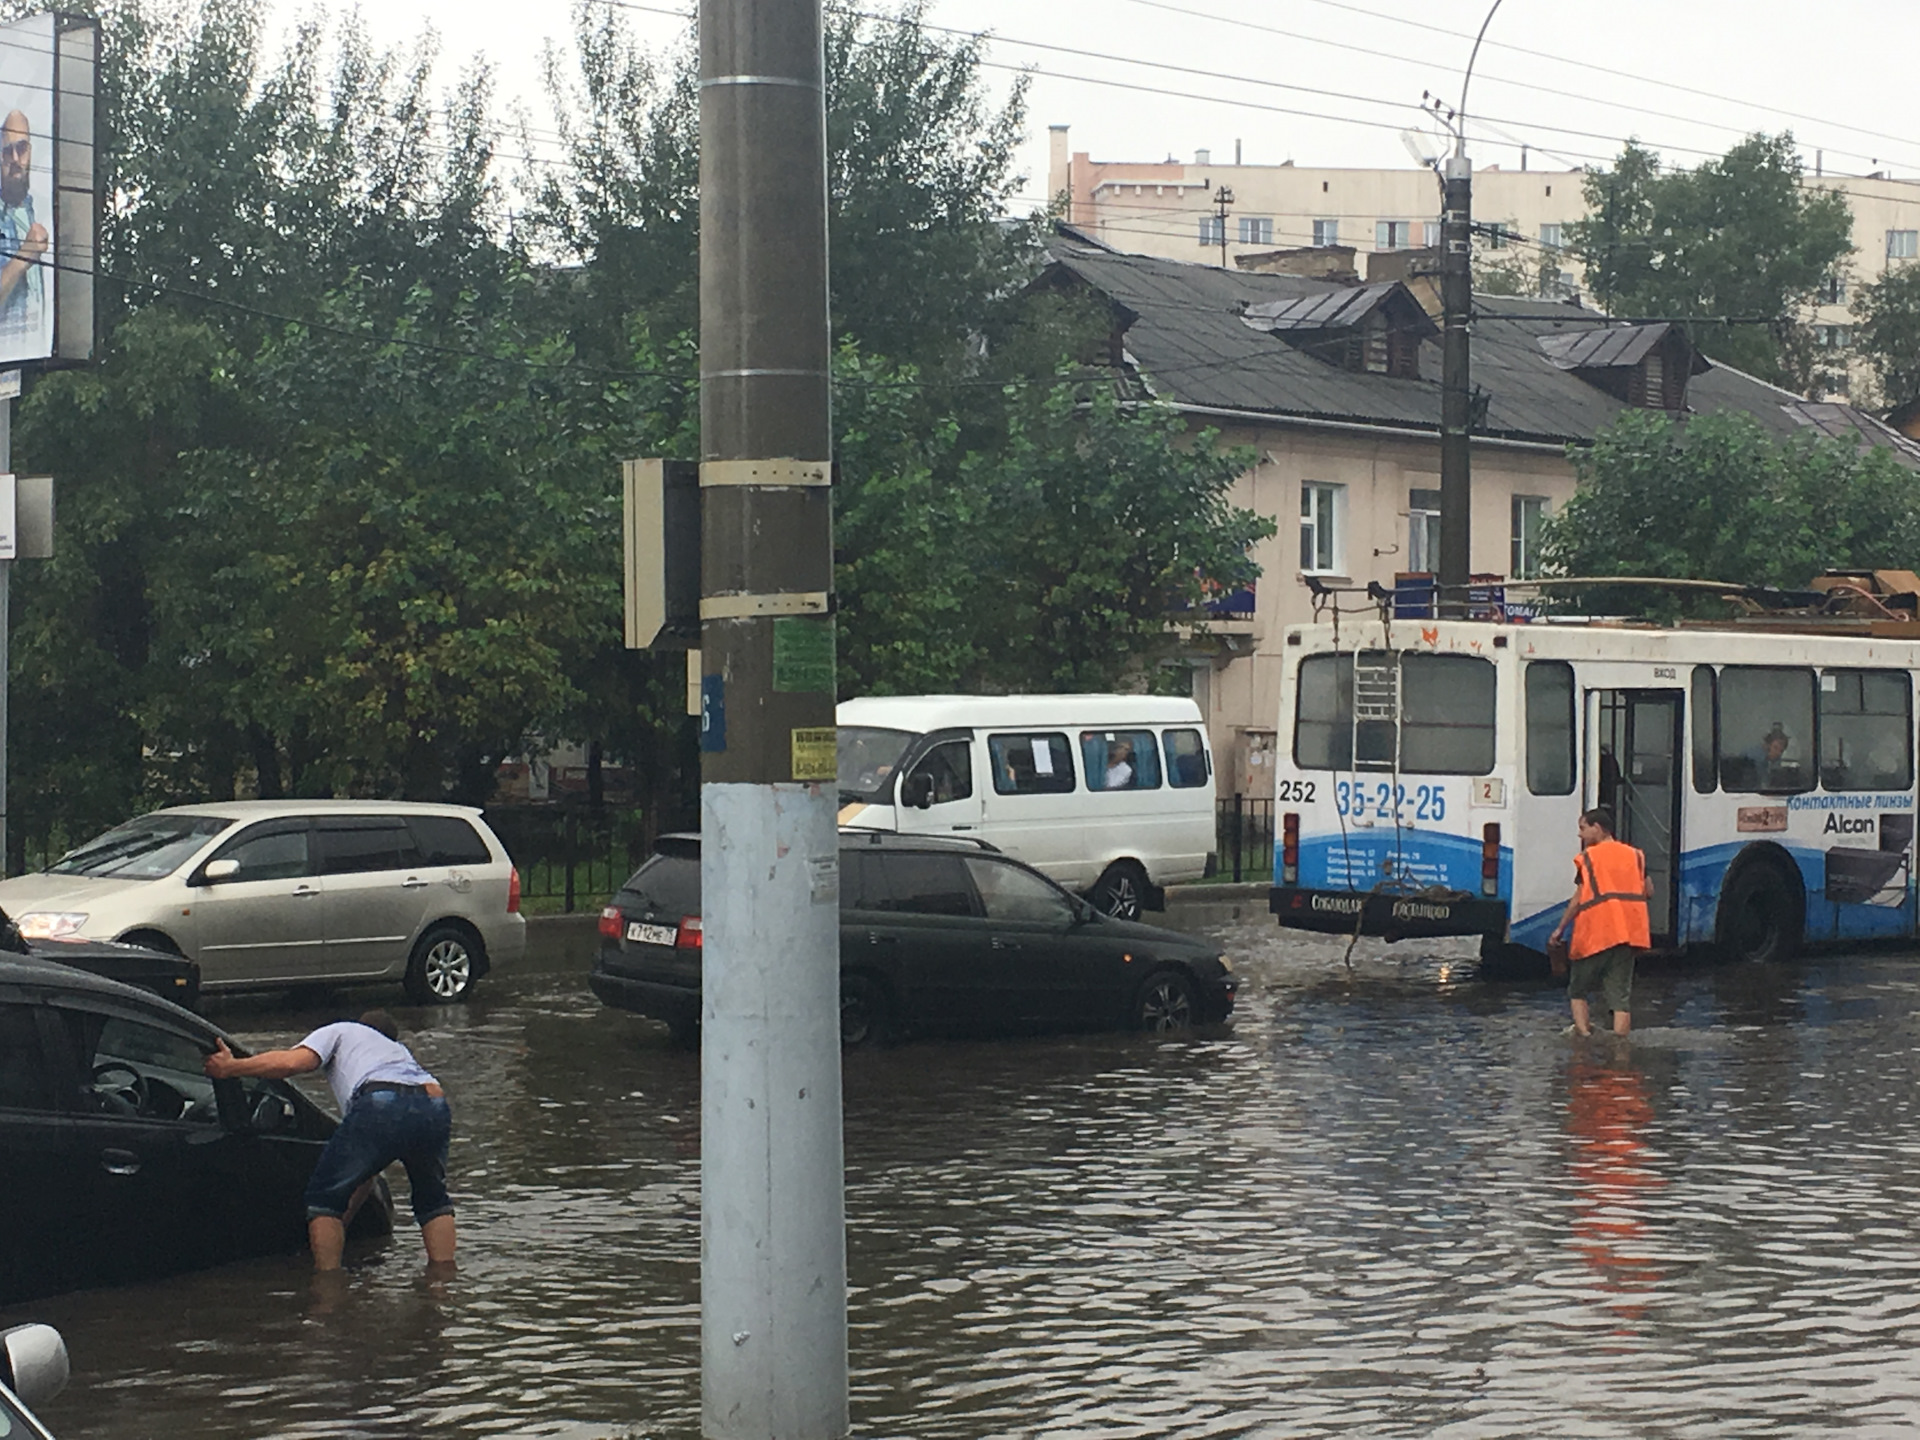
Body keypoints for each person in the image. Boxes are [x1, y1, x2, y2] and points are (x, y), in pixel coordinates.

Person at [205, 1009, 455, 1272]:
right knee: (433, 1201)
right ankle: (443, 1286)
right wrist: (341, 1224)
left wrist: (232, 1068)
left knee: (322, 1199)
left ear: (361, 1025)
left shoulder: (341, 1030)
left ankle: (328, 1292)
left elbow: (291, 1063)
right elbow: (365, 1172)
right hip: (434, 1102)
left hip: (380, 1100)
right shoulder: (398, 1052)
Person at [1547, 806, 1651, 1038]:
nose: (1580, 835)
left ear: (1597, 828)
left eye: (1583, 829)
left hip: (1596, 934)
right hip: (1628, 935)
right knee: (1620, 999)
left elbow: (1578, 899)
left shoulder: (1589, 859)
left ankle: (1584, 1038)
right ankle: (1620, 1045)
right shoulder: (1635, 855)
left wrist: (1560, 928)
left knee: (1578, 990)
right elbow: (1649, 891)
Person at [0, 110, 46, 327]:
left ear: (30, 152)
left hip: (41, 351)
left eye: (21, 148)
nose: (16, 159)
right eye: (8, 151)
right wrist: (23, 257)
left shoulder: (40, 209)